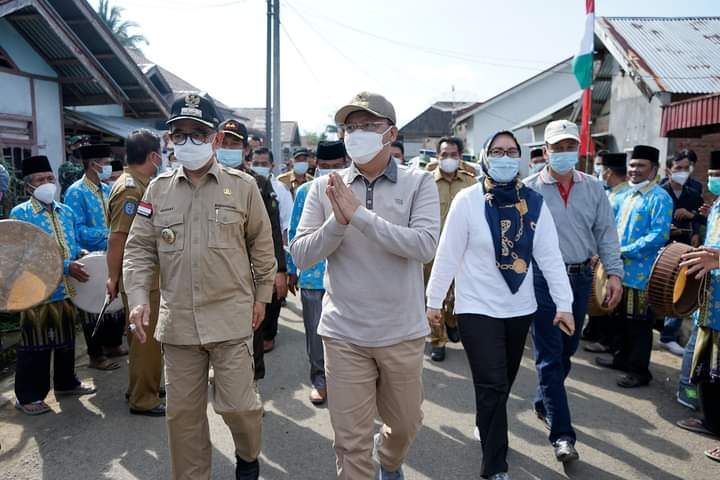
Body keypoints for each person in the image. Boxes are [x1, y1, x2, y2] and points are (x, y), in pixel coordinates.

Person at [123, 94, 277, 480]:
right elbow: (139, 249)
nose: (188, 142)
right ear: (169, 139)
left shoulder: (243, 187)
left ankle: (247, 454)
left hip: (230, 317)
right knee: (183, 418)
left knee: (238, 406)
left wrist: (261, 296)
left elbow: (262, 244)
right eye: (180, 134)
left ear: (215, 139)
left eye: (198, 133)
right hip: (178, 325)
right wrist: (139, 299)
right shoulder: (156, 191)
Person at [290, 92, 440, 480]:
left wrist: (359, 216)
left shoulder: (420, 182)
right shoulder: (326, 187)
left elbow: (424, 246)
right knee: (350, 444)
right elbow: (302, 253)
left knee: (405, 425)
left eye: (368, 126)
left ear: (390, 133)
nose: (356, 134)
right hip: (344, 333)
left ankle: (389, 459)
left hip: (401, 331)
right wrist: (337, 222)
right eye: (350, 127)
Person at [427, 130, 573, 480]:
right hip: (475, 306)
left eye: (511, 151)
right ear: (485, 157)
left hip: (519, 307)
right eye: (497, 151)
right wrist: (433, 300)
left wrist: (564, 303)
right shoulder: (467, 200)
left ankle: (485, 422)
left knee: (502, 382)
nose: (505, 157)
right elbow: (447, 254)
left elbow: (550, 256)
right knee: (491, 383)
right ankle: (495, 466)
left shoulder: (534, 203)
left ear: (519, 158)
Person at [524, 120, 623, 463]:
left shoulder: (594, 188)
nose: (565, 153)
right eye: (558, 147)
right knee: (550, 356)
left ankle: (543, 400)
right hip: (543, 283)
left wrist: (614, 273)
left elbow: (606, 233)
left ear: (577, 149)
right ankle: (563, 436)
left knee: (566, 352)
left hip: (580, 279)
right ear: (546, 151)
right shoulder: (529, 188)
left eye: (570, 146)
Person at [10, 155, 96, 415]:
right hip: (35, 291)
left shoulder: (65, 211)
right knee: (35, 344)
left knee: (65, 340)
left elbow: (71, 243)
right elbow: (24, 256)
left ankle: (66, 383)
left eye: (50, 178)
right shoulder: (20, 214)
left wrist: (80, 254)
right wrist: (66, 265)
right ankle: (28, 396)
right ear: (29, 187)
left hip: (66, 289)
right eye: (40, 180)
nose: (47, 183)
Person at [595, 145, 673, 388]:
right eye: (632, 165)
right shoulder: (628, 194)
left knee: (639, 324)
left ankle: (639, 371)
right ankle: (621, 359)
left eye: (640, 166)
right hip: (620, 270)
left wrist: (624, 250)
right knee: (620, 318)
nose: (634, 170)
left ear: (654, 169)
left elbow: (658, 236)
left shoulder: (660, 197)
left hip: (642, 274)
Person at [218, 119, 287, 381]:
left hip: (247, 273)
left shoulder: (258, 183)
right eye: (223, 142)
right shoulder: (204, 179)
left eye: (233, 143)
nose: (227, 147)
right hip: (213, 271)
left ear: (245, 149)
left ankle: (252, 382)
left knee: (252, 328)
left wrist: (278, 270)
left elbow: (271, 229)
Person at [106, 129, 165, 417]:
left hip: (148, 275)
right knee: (146, 340)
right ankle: (143, 397)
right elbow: (118, 237)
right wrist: (113, 277)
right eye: (161, 155)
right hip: (141, 277)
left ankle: (147, 385)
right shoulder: (131, 188)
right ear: (153, 157)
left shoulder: (139, 183)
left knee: (149, 339)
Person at [287, 140, 349, 405]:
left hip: (348, 274)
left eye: (337, 166)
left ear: (347, 164)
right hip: (313, 274)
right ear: (316, 165)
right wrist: (292, 270)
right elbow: (294, 233)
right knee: (315, 332)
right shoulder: (306, 191)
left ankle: (347, 381)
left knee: (348, 334)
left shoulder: (355, 190)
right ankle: (320, 379)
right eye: (325, 166)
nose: (331, 171)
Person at [65, 144, 125, 370]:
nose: (109, 167)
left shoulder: (109, 190)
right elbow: (77, 229)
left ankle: (113, 345)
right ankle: (95, 355)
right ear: (93, 164)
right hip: (89, 256)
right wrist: (110, 234)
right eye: (107, 163)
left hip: (111, 253)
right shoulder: (76, 192)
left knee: (114, 301)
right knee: (92, 307)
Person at [675, 151, 720, 455]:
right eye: (713, 173)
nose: (713, 179)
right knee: (711, 370)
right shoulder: (716, 206)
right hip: (712, 301)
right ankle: (713, 422)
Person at [424, 136, 476, 362]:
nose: (448, 159)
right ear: (437, 157)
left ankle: (452, 320)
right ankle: (438, 340)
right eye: (444, 155)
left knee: (457, 294)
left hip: (463, 251)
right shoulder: (425, 182)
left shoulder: (470, 183)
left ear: (460, 157)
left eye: (453, 155)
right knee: (434, 295)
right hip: (432, 251)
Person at [658, 152, 705, 357]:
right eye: (678, 168)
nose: (682, 172)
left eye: (686, 168)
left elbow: (701, 218)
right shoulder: (659, 193)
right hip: (661, 248)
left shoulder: (693, 193)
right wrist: (665, 229)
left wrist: (693, 223)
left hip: (684, 248)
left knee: (679, 289)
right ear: (668, 169)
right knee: (657, 289)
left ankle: (669, 336)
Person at [584, 152, 628, 353]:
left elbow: (609, 230)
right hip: (598, 255)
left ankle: (609, 343)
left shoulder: (624, 195)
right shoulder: (607, 192)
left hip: (614, 258)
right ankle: (597, 335)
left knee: (610, 303)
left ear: (608, 172)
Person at [248, 146, 292, 353]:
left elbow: (281, 226)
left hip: (273, 248)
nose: (259, 167)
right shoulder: (245, 183)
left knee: (272, 295)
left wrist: (282, 265)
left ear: (272, 165)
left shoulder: (278, 189)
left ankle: (268, 335)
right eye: (256, 163)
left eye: (263, 164)